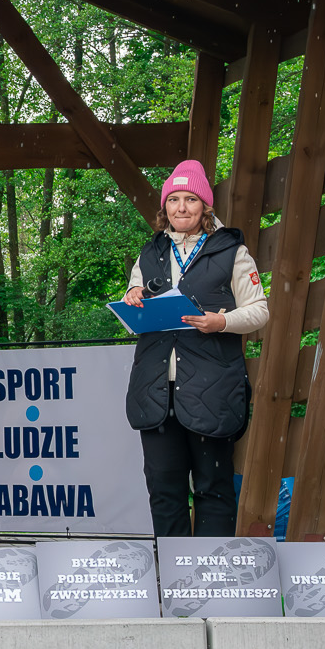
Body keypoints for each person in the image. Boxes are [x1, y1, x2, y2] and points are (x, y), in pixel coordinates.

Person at [121, 159, 268, 537]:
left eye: (190, 199)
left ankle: (210, 568)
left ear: (205, 206)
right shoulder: (149, 252)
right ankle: (173, 569)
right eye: (173, 200)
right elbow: (133, 303)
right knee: (163, 490)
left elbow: (260, 311)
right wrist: (132, 297)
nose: (181, 208)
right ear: (165, 207)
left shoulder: (232, 251)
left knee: (213, 489)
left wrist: (222, 322)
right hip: (156, 392)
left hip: (213, 389)